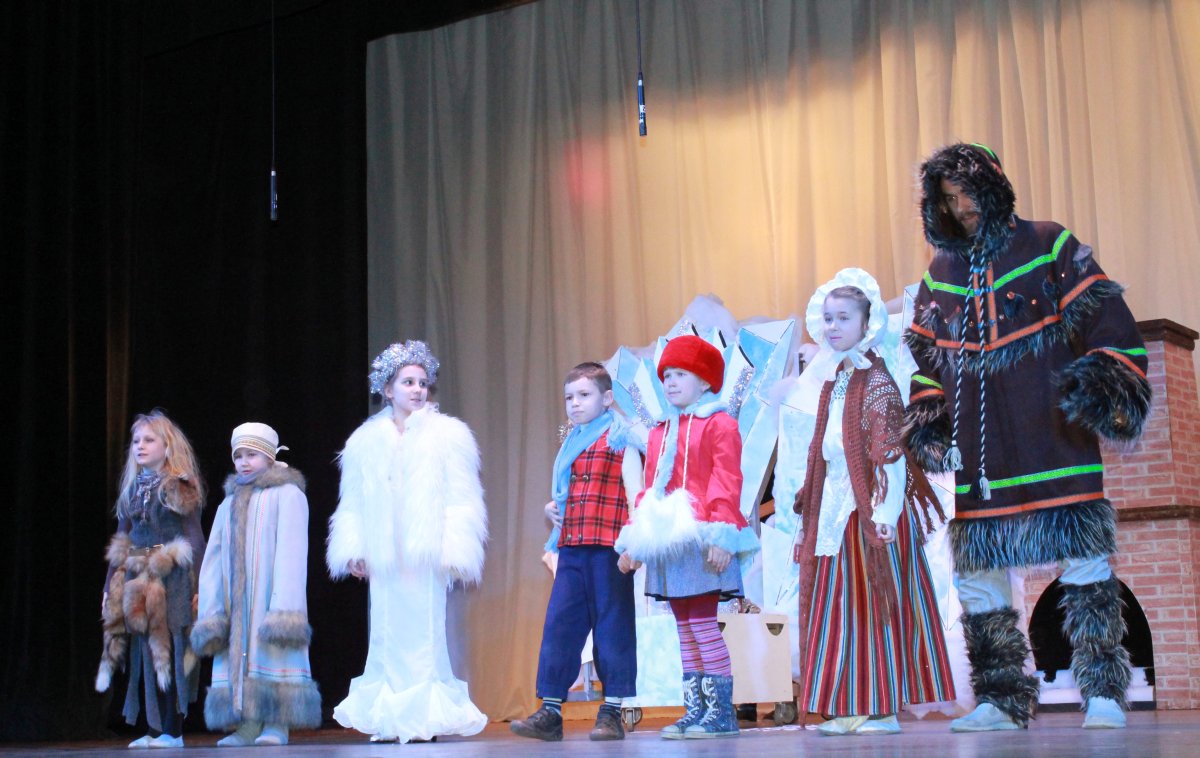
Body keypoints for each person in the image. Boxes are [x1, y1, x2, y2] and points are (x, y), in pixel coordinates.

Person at [904, 143, 1152, 731]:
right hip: (981, 459)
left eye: (968, 194)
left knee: (1086, 566)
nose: (960, 208)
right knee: (978, 581)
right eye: (948, 199)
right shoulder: (940, 275)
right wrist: (929, 418)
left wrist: (1102, 384)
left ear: (993, 189)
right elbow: (925, 362)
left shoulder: (1049, 244)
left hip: (1054, 439)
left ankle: (1104, 693)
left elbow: (1107, 321)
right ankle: (999, 699)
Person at [790, 268, 955, 736]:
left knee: (867, 606)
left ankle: (880, 708)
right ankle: (849, 704)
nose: (833, 326)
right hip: (835, 508)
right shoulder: (836, 381)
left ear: (867, 324)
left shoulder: (876, 381)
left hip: (868, 510)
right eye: (828, 318)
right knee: (838, 608)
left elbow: (890, 455)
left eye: (844, 318)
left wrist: (884, 514)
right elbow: (824, 453)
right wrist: (808, 514)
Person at [326, 340, 489, 743]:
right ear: (388, 389)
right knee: (386, 634)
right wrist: (354, 547)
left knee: (423, 634)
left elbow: (462, 497)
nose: (418, 390)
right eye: (408, 382)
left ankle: (420, 719)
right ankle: (389, 719)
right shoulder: (365, 440)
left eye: (422, 383)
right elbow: (354, 500)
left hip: (424, 552)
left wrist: (455, 548)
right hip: (386, 552)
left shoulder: (448, 435)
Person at [616, 335, 753, 739]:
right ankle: (696, 710)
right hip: (669, 542)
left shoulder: (720, 424)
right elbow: (651, 488)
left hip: (703, 537)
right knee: (684, 626)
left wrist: (722, 534)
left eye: (681, 374)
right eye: (666, 376)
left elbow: (726, 479)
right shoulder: (660, 431)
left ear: (705, 381)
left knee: (703, 622)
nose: (671, 382)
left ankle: (721, 713)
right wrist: (637, 542)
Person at [510, 363, 640, 742]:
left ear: (607, 398)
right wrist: (552, 510)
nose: (575, 404)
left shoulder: (620, 439)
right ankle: (550, 711)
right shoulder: (572, 442)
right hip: (572, 548)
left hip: (609, 551)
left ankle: (611, 712)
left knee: (613, 629)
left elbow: (637, 494)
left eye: (584, 395)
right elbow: (568, 494)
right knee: (560, 626)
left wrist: (634, 543)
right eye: (569, 397)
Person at [191, 423, 322, 746]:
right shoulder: (229, 502)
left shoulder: (288, 495)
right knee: (239, 657)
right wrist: (212, 606)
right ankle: (248, 724)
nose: (244, 462)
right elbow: (213, 556)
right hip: (237, 604)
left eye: (252, 454)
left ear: (269, 456)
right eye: (238, 456)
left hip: (271, 596)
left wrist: (284, 609)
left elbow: (292, 552)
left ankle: (277, 723)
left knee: (273, 653)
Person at [96, 411, 206, 749]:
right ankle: (155, 728)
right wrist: (109, 586)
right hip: (137, 576)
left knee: (170, 648)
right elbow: (122, 540)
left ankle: (173, 730)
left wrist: (201, 583)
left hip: (171, 577)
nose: (140, 446)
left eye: (148, 440)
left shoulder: (178, 484)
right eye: (136, 441)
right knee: (146, 650)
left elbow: (194, 535)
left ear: (167, 446)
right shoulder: (133, 489)